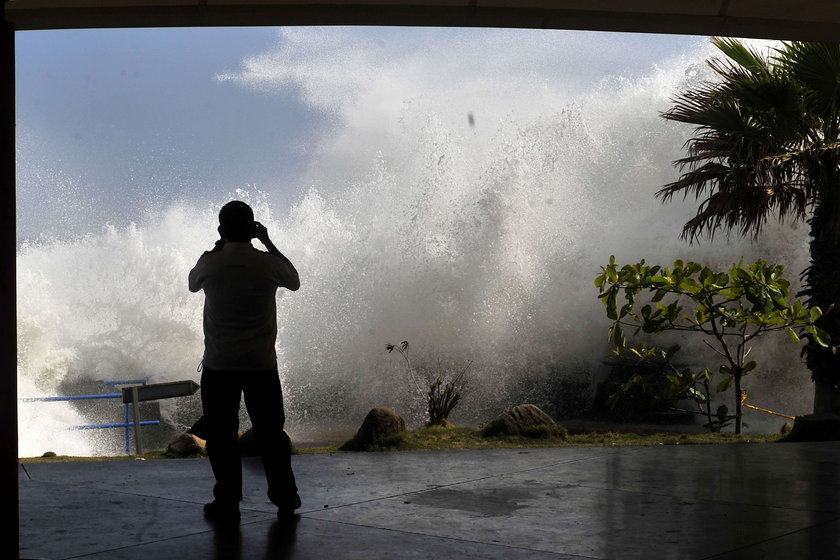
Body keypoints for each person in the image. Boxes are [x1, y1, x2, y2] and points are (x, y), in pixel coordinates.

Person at [189, 200, 301, 523]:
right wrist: (267, 242)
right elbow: (293, 279)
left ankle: (228, 501)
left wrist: (216, 248)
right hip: (261, 366)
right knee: (271, 434)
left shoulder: (212, 264)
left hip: (219, 366)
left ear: (222, 231)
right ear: (252, 230)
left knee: (222, 437)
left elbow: (192, 282)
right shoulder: (266, 264)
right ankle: (285, 497)